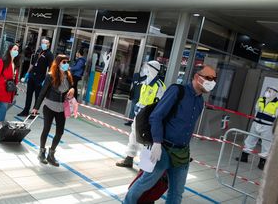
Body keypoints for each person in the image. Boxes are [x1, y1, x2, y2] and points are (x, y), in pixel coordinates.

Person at [123, 65, 217, 204]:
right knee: (145, 183)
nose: (212, 82)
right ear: (197, 77)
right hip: (163, 149)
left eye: (214, 79)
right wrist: (157, 143)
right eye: (209, 78)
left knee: (177, 192)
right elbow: (156, 116)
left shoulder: (199, 101)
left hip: (182, 152)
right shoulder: (177, 91)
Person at [116, 61, 166, 168]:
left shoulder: (159, 86)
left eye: (147, 67)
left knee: (146, 141)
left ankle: (144, 165)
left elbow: (160, 105)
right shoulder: (145, 82)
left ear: (153, 69)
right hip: (139, 116)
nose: (145, 69)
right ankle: (129, 158)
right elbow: (141, 99)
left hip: (149, 119)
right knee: (133, 136)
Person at [31, 55, 75, 167]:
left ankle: (51, 154)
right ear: (58, 63)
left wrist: (72, 89)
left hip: (62, 108)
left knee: (60, 132)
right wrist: (36, 107)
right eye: (64, 62)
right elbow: (42, 92)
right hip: (49, 106)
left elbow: (72, 89)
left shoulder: (68, 75)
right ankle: (41, 152)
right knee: (46, 129)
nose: (66, 64)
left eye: (67, 62)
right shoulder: (50, 76)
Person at [237, 87, 278, 170]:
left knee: (266, 144)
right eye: (267, 90)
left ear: (274, 93)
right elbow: (256, 109)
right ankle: (244, 157)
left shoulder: (277, 103)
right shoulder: (261, 99)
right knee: (250, 140)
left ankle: (262, 163)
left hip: (267, 125)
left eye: (270, 91)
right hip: (256, 123)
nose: (267, 92)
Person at [17, 38, 54, 117]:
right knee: (29, 94)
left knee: (38, 96)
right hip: (32, 76)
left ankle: (34, 112)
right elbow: (33, 63)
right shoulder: (38, 51)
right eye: (43, 42)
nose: (44, 44)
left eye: (46, 43)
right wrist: (27, 74)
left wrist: (46, 79)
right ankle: (26, 110)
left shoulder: (50, 55)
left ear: (49, 44)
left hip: (40, 78)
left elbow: (51, 69)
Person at [0, 44, 20, 130]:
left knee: (3, 103)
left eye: (17, 50)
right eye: (14, 49)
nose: (16, 51)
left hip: (11, 86)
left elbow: (16, 75)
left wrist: (17, 83)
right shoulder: (3, 61)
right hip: (2, 84)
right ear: (10, 50)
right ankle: (0, 122)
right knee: (4, 103)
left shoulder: (16, 62)